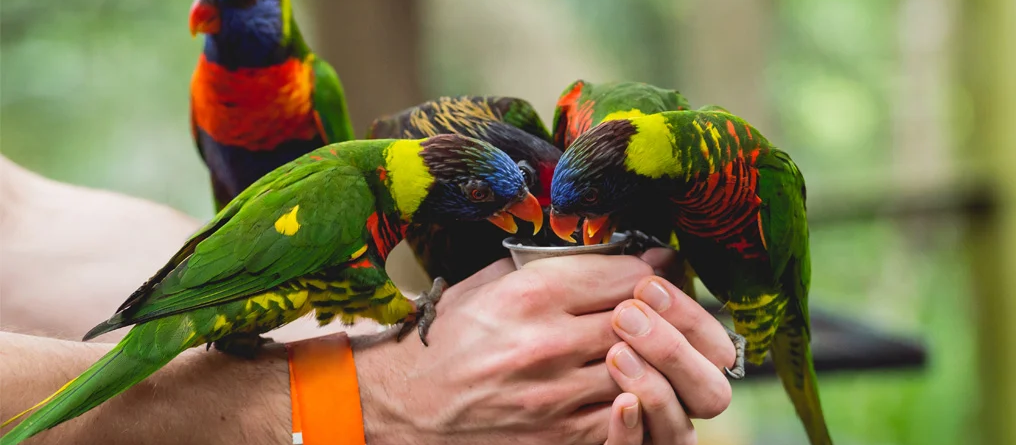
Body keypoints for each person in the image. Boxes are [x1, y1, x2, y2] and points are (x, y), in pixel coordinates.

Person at [0, 156, 735, 444]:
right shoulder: (351, 198)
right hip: (206, 300)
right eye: (485, 200)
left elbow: (56, 227)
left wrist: (489, 375)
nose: (505, 218)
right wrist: (357, 394)